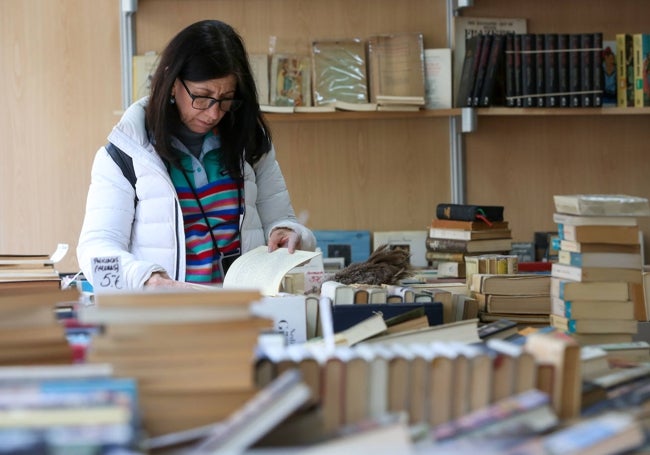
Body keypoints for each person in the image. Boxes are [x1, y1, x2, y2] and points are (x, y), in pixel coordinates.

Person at [77, 19, 316, 290]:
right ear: (171, 82)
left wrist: (288, 233)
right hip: (167, 319)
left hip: (244, 313)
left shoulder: (250, 144)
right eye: (201, 97)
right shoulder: (126, 154)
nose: (214, 113)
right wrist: (145, 279)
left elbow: (282, 220)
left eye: (226, 98)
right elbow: (96, 248)